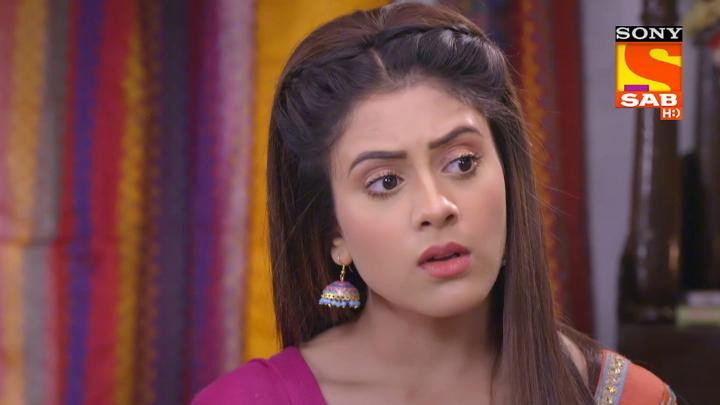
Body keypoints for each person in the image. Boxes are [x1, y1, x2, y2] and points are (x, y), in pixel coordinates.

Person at [192, 3, 678, 404]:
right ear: (334, 232)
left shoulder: (624, 396)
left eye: (462, 163)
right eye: (385, 182)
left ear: (509, 176)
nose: (436, 206)